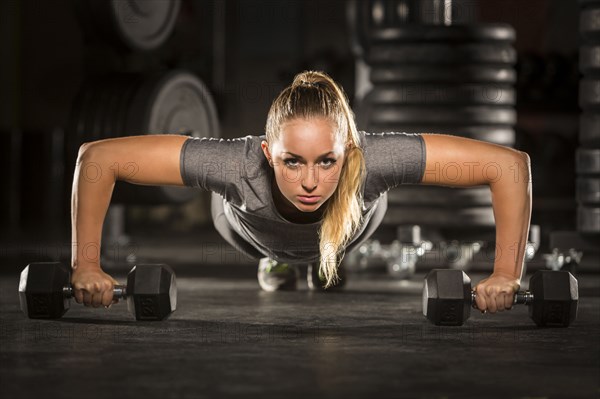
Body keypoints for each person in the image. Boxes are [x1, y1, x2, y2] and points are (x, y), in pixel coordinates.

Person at [70, 70, 531, 315]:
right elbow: (98, 158)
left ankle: (330, 256)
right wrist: (86, 264)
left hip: (350, 230)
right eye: (292, 161)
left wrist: (507, 274)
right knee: (269, 240)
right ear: (268, 152)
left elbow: (509, 166)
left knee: (338, 226)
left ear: (347, 151)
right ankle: (282, 261)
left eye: (326, 161)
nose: (309, 181)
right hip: (248, 234)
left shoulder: (374, 158)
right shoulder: (233, 164)